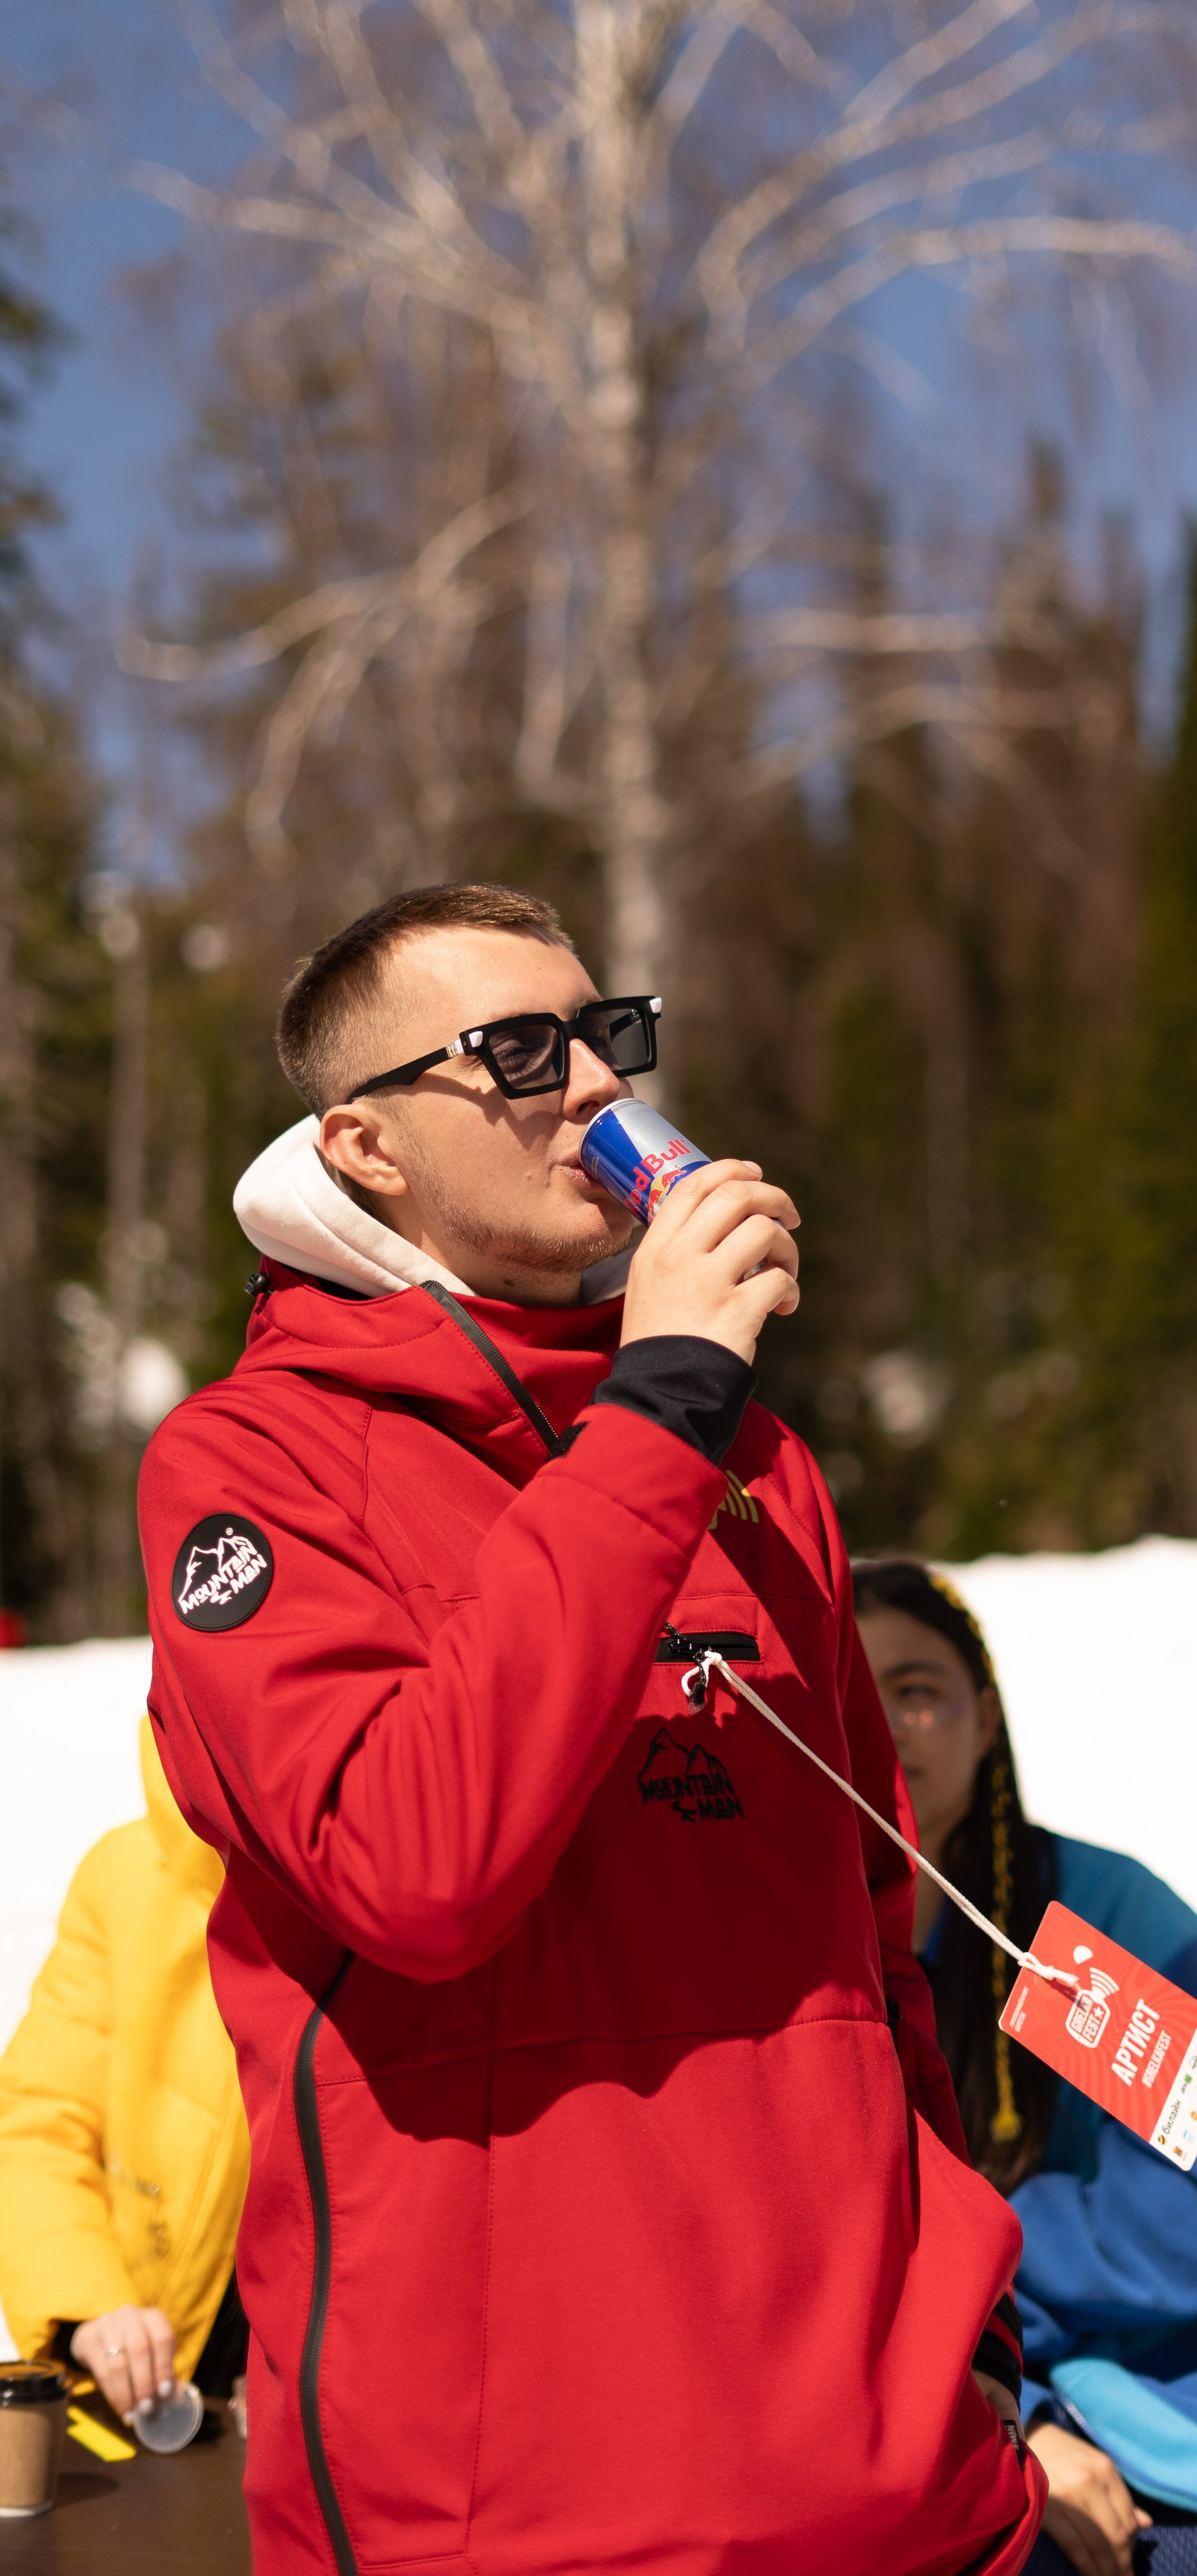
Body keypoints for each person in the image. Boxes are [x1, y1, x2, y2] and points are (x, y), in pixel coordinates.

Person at [138, 884, 1042, 2576]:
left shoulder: (752, 1461)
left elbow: (868, 1928)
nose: (593, 1087)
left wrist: (966, 2349)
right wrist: (658, 1411)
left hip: (899, 2497)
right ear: (367, 1144)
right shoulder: (248, 1463)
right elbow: (415, 1865)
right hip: (527, 2517)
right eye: (517, 1050)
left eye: (606, 1033)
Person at [853, 1560, 1197, 2576]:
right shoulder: (785, 1955)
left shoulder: (1092, 1932)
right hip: (920, 2415)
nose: (889, 1724)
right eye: (858, 1690)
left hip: (1192, 2403)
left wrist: (956, 2268)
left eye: (919, 1690)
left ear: (985, 1719)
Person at [0, 1718, 250, 2428]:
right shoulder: (127, 1879)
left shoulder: (419, 1887)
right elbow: (37, 2126)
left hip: (363, 2398)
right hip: (168, 2385)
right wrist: (89, 2305)